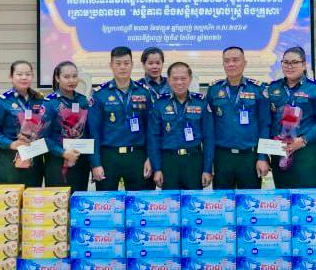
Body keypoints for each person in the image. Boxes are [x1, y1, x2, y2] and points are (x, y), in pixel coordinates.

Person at [88, 46, 156, 191]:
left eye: (126, 63)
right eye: (118, 63)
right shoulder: (100, 94)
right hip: (109, 157)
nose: (122, 67)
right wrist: (95, 164)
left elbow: (151, 130)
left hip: (137, 156)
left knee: (140, 201)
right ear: (111, 65)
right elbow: (94, 132)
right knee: (107, 200)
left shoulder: (144, 92)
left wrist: (151, 158)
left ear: (132, 64)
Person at [205, 46, 270, 189]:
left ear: (244, 63)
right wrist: (208, 164)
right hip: (222, 157)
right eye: (227, 61)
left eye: (235, 60)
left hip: (249, 157)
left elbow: (265, 126)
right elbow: (209, 129)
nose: (231, 64)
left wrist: (262, 157)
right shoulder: (214, 90)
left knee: (249, 200)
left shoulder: (257, 89)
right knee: (222, 200)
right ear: (223, 64)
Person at [265, 46, 316, 189]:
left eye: (294, 62)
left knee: (308, 195)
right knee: (283, 195)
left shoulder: (315, 89)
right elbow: (266, 121)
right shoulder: (273, 89)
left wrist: (303, 140)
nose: (290, 66)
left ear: (304, 64)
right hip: (280, 151)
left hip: (306, 152)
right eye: (286, 62)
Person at [148, 62, 214, 191]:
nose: (179, 82)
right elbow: (153, 138)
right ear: (168, 80)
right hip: (168, 162)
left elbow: (209, 138)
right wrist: (157, 169)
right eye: (175, 78)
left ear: (190, 79)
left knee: (193, 201)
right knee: (170, 201)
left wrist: (207, 169)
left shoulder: (201, 102)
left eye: (183, 78)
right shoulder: (160, 104)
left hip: (194, 161)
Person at [0, 60, 48, 187]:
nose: (24, 77)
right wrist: (10, 144)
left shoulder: (40, 99)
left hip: (34, 156)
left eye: (28, 74)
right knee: (11, 196)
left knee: (33, 195)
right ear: (11, 76)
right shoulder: (2, 101)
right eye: (19, 74)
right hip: (10, 158)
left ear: (32, 76)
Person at [44, 61, 93, 192]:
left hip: (80, 160)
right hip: (57, 162)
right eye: (66, 77)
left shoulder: (84, 101)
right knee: (58, 200)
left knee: (79, 198)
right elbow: (43, 137)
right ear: (57, 78)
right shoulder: (49, 102)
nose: (71, 80)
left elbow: (89, 131)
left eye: (74, 76)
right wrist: (63, 152)